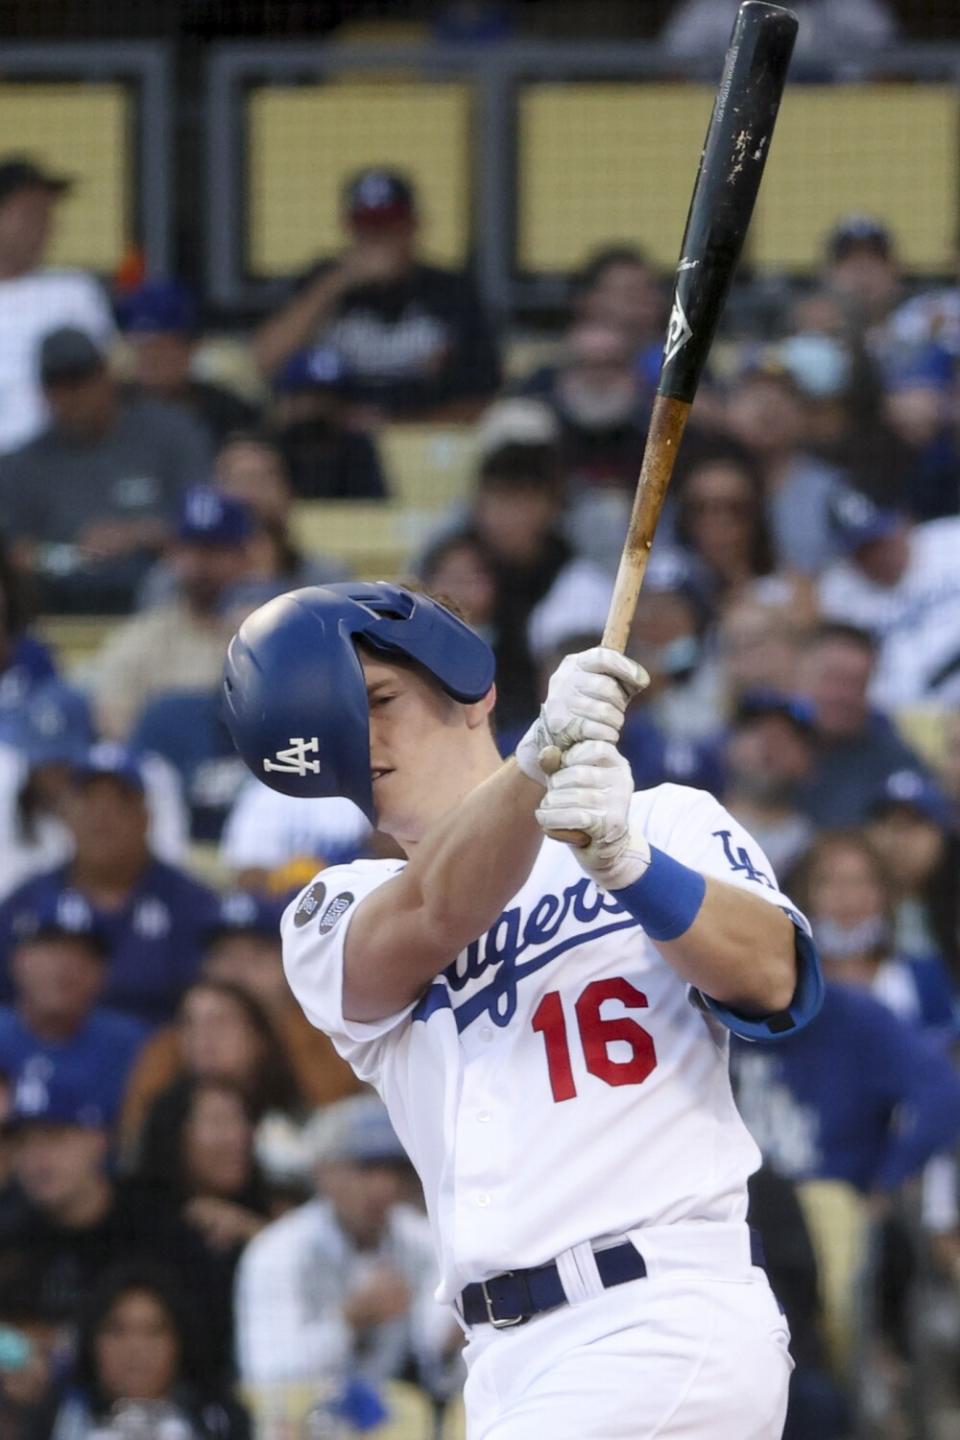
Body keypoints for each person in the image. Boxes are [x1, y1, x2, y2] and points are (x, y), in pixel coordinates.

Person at [221, 580, 824, 1439]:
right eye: (342, 727)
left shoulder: (660, 819)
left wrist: (629, 863)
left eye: (382, 700)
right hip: (501, 1359)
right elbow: (438, 910)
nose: (369, 742)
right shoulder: (335, 910)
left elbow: (773, 978)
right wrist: (539, 761)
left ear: (473, 688)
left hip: (660, 1312)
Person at [235, 1094, 460, 1394]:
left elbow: (443, 1370)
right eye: (365, 1168)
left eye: (394, 1169)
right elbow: (267, 1375)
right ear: (323, 1173)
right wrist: (348, 1320)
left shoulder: (425, 1242)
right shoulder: (277, 1250)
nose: (384, 1187)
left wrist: (450, 1342)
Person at [119, 893, 360, 1166]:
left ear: (287, 962)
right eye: (224, 955)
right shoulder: (171, 1044)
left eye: (256, 955)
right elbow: (138, 1150)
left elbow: (342, 1135)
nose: (238, 970)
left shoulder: (323, 1035)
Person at [254, 168, 500, 420]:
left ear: (413, 226)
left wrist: (396, 427)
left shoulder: (451, 292)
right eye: (367, 227)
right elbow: (266, 362)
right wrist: (337, 283)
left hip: (423, 439)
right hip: (334, 443)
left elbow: (482, 400)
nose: (378, 238)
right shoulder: (320, 283)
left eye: (389, 226)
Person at [0, 743, 219, 1026]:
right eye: (89, 799)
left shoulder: (193, 906)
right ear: (66, 814)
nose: (102, 815)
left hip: (161, 1056)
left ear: (145, 817)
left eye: (120, 801)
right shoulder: (24, 903)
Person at [0, 326, 212, 613]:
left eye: (79, 381)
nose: (70, 397)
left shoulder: (169, 433)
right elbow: (17, 551)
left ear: (105, 377)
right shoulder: (24, 463)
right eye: (55, 385)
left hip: (163, 598)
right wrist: (71, 554)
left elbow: (205, 518)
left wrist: (136, 534)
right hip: (60, 604)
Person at [91, 486, 255, 741]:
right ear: (172, 554)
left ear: (243, 557)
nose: (201, 564)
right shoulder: (139, 638)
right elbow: (117, 732)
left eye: (215, 550)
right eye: (190, 549)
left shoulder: (266, 637)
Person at [37, 1262, 251, 1439]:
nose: (135, 1349)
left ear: (180, 1341)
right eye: (117, 1331)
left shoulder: (221, 1422)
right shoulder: (57, 1419)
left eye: (154, 1331)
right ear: (92, 1341)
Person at [788, 828, 956, 1043]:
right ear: (805, 893)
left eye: (862, 882)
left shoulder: (924, 976)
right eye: (830, 882)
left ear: (886, 894)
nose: (848, 897)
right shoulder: (787, 981)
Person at [119, 977, 301, 1166]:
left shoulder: (300, 1115)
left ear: (259, 1038)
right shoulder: (160, 1119)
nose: (202, 1035)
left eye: (219, 1021)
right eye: (190, 1023)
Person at [0, 156, 115, 456]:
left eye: (48, 215)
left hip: (56, 466)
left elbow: (99, 385)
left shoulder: (74, 291)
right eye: (31, 214)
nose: (45, 226)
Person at [0, 897, 147, 1125]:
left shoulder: (135, 1048)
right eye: (51, 949)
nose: (65, 966)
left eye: (82, 954)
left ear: (104, 974)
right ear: (18, 960)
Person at [817, 488, 960, 710]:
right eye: (862, 548)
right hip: (909, 719)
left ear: (905, 522)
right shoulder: (836, 594)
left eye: (880, 540)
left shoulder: (953, 539)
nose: (876, 555)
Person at [795, 620, 928, 826]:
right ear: (798, 673)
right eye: (832, 679)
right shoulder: (756, 733)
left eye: (858, 684)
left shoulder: (891, 758)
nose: (843, 696)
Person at [117, 277, 260, 447]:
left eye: (162, 347)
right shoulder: (113, 410)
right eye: (140, 346)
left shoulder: (229, 413)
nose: (150, 358)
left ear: (192, 347)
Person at [267, 345, 389, 500]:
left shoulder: (359, 451)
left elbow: (372, 511)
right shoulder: (267, 450)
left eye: (327, 399)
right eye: (306, 397)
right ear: (285, 401)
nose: (316, 409)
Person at [721, 691, 817, 879]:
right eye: (757, 733)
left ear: (808, 760)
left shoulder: (814, 850)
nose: (769, 747)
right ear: (730, 746)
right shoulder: (692, 822)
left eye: (785, 738)